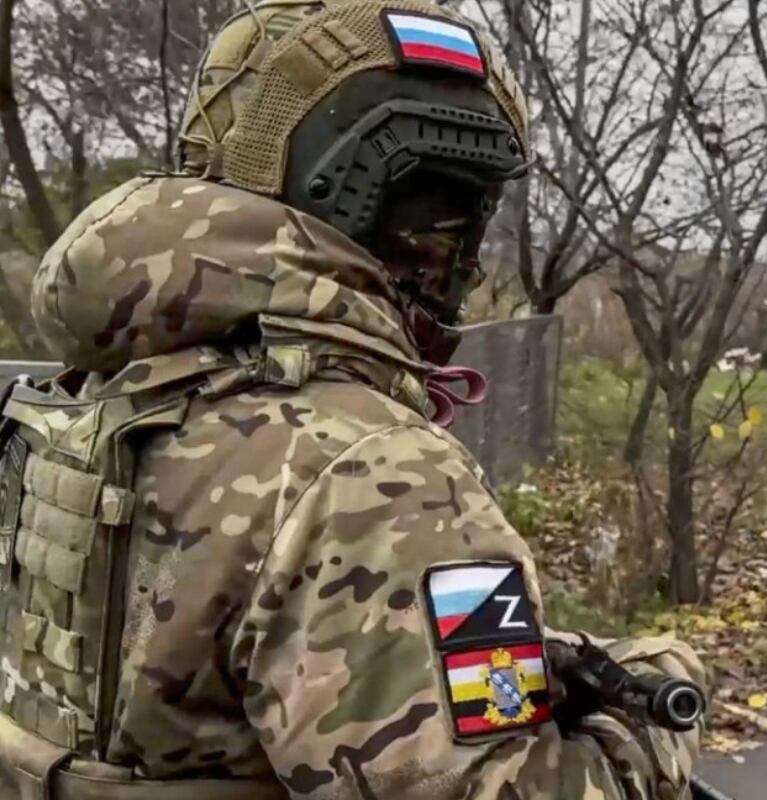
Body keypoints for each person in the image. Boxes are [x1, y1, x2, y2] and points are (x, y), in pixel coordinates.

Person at [0, 2, 706, 798]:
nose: (456, 259)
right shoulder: (371, 468)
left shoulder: (89, 397)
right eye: (435, 217)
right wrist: (660, 708)